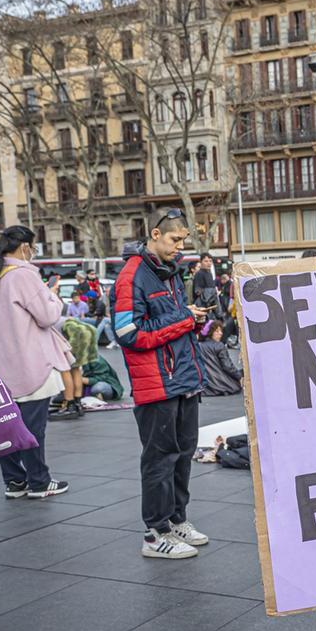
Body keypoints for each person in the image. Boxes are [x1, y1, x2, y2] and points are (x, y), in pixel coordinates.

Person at [112, 209, 208, 560]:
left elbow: (168, 325)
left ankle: (176, 520)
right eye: (174, 239)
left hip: (181, 379)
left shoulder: (168, 272)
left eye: (183, 240)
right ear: (154, 234)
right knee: (160, 459)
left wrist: (191, 321)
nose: (180, 246)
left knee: (183, 454)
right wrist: (184, 318)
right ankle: (155, 533)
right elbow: (127, 333)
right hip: (157, 385)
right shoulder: (132, 275)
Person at [0, 226, 70, 500]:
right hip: (30, 363)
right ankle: (40, 482)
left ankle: (15, 482)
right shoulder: (24, 276)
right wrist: (53, 296)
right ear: (25, 247)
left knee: (6, 426)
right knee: (33, 429)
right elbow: (47, 315)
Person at [53, 317, 97, 420]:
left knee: (64, 368)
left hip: (75, 332)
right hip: (88, 330)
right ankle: (78, 403)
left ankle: (70, 404)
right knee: (75, 368)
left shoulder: (46, 320)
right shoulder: (60, 316)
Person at [196, 321, 242, 397]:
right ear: (210, 332)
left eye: (221, 331)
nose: (220, 333)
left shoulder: (199, 346)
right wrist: (239, 376)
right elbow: (228, 366)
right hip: (223, 385)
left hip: (206, 387)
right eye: (217, 331)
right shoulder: (219, 346)